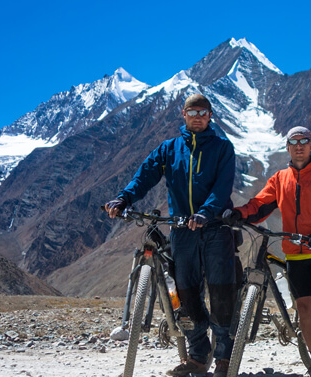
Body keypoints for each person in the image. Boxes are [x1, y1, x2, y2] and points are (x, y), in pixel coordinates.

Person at [105, 93, 236, 377]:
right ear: (183, 114)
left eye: (203, 112)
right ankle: (199, 355)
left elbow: (223, 187)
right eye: (193, 111)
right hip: (182, 231)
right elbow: (145, 176)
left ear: (211, 115)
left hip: (214, 229)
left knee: (221, 292)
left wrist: (206, 212)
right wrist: (124, 198)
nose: (198, 116)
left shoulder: (223, 148)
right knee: (187, 294)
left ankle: (225, 358)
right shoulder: (169, 149)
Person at [221, 126, 311, 377]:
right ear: (288, 147)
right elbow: (260, 204)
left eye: (305, 141)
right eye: (294, 142)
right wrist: (239, 213)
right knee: (303, 309)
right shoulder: (280, 179)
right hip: (294, 254)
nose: (299, 145)